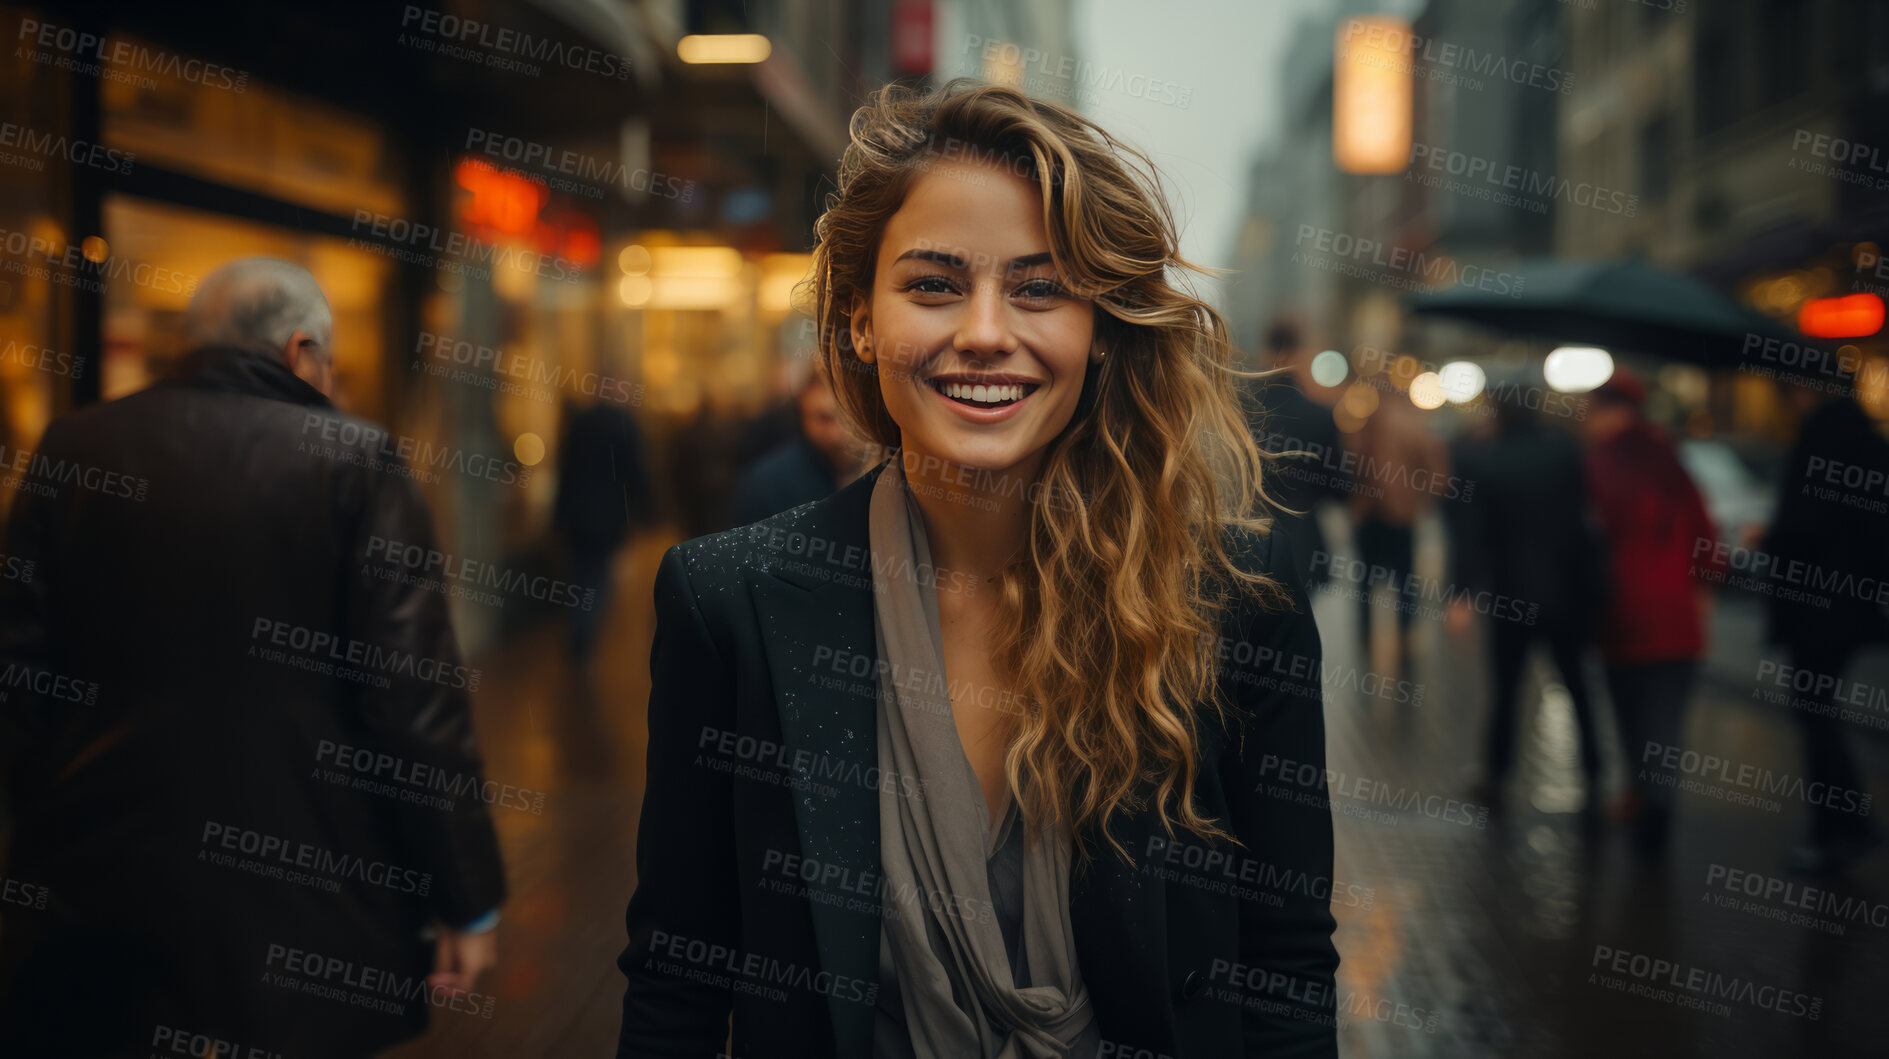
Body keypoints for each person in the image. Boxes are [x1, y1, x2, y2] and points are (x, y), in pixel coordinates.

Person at [616, 79, 1339, 1058]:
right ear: (860, 322)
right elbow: (680, 976)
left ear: (1098, 329)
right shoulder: (727, 603)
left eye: (1039, 288)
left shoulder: (1231, 600)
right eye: (933, 284)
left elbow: (1285, 968)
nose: (986, 330)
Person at [0, 258, 505, 1057]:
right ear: (302, 350)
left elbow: (17, 676)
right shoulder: (355, 459)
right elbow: (412, 702)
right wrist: (466, 897)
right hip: (309, 905)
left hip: (102, 902)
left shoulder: (75, 444)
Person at [1447, 379, 1608, 816]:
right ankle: (1595, 773)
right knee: (1577, 685)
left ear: (1498, 412)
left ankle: (1497, 777)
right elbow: (1587, 521)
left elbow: (1470, 536)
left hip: (1510, 598)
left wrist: (1460, 595)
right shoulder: (1565, 453)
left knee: (1506, 690)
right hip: (1567, 594)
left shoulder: (1487, 462)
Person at [1581, 370, 1720, 855]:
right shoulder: (1671, 462)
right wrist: (1703, 591)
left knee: (1632, 719)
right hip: (1679, 619)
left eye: (1591, 410)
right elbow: (1708, 539)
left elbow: (1584, 542)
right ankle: (1653, 799)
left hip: (1622, 617)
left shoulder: (1599, 465)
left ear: (1611, 411)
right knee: (1665, 726)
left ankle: (1648, 804)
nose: (1584, 420)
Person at [1760, 376, 1887, 875]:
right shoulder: (1868, 441)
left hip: (1817, 605)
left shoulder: (1821, 441)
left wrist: (1772, 542)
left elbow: (1804, 526)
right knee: (1819, 710)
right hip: (1850, 606)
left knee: (1814, 712)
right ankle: (1846, 827)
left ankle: (1839, 830)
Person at [1347, 387, 1449, 676]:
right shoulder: (1414, 424)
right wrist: (1419, 501)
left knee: (1365, 584)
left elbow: (1349, 462)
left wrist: (1358, 502)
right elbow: (1437, 470)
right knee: (1405, 584)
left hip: (1368, 516)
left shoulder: (1365, 422)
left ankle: (1365, 638)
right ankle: (1405, 638)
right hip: (1402, 517)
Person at [553, 395, 655, 666]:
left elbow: (565, 469)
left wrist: (560, 514)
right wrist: (642, 510)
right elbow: (634, 471)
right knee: (598, 575)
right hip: (607, 514)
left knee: (580, 571)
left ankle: (579, 631)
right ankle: (585, 633)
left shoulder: (581, 423)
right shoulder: (622, 423)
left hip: (579, 513)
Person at [1246, 317, 1342, 591]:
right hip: (1303, 543)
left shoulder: (1241, 409)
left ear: (1267, 349)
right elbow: (1337, 485)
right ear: (1299, 354)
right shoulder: (1319, 415)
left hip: (1249, 541)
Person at [731, 365, 864, 524]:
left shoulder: (883, 474)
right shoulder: (765, 483)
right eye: (823, 419)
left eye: (846, 418)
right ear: (803, 411)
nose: (836, 434)